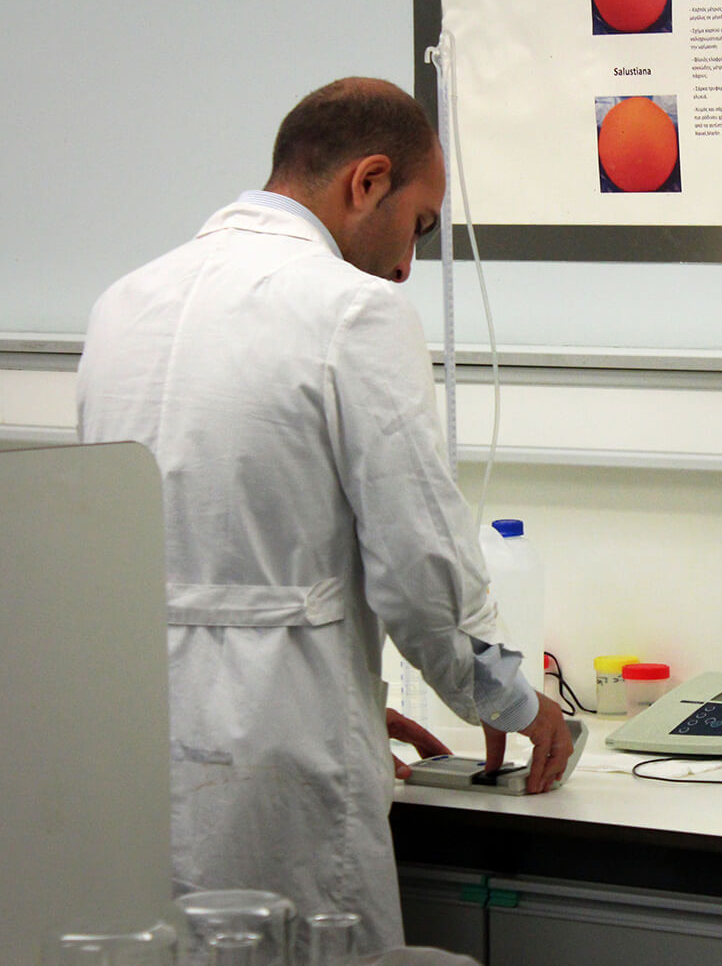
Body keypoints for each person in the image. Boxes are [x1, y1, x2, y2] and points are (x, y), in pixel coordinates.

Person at [76, 77, 572, 954]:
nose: (407, 265)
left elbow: (184, 576)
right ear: (367, 181)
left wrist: (342, 688)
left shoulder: (123, 305)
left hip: (126, 755)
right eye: (418, 225)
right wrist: (513, 702)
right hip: (279, 774)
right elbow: (424, 574)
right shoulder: (354, 311)